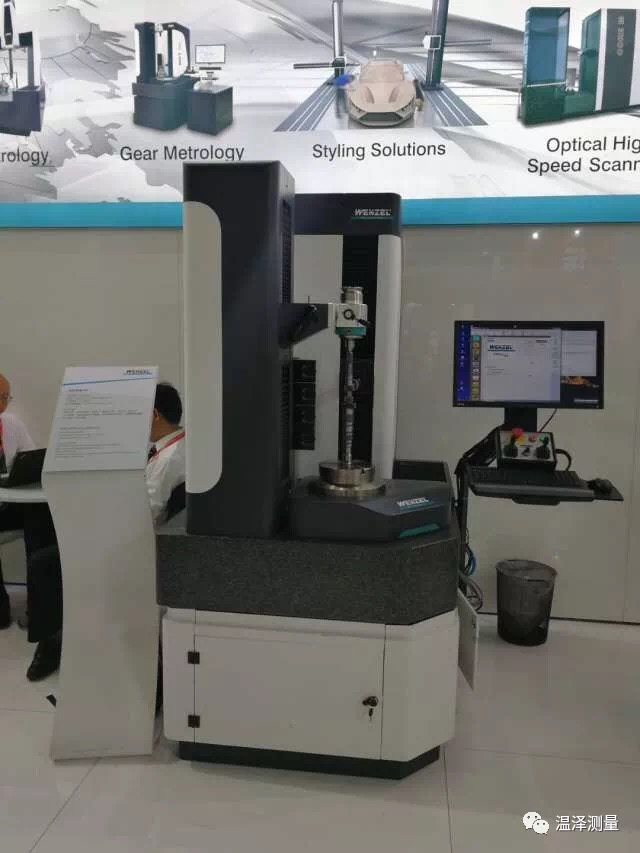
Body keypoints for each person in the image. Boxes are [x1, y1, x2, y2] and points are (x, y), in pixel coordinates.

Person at [25, 382, 186, 681]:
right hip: (141, 536)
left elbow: (143, 513)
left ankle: (50, 643)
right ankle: (56, 631)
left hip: (135, 546)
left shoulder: (168, 459)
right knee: (47, 533)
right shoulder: (178, 447)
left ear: (153, 414)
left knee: (42, 562)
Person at [0, 373, 36, 629]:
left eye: (6, 397)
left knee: (41, 519)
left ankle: (39, 605)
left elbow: (32, 461)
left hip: (10, 504)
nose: (3, 404)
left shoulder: (12, 424)